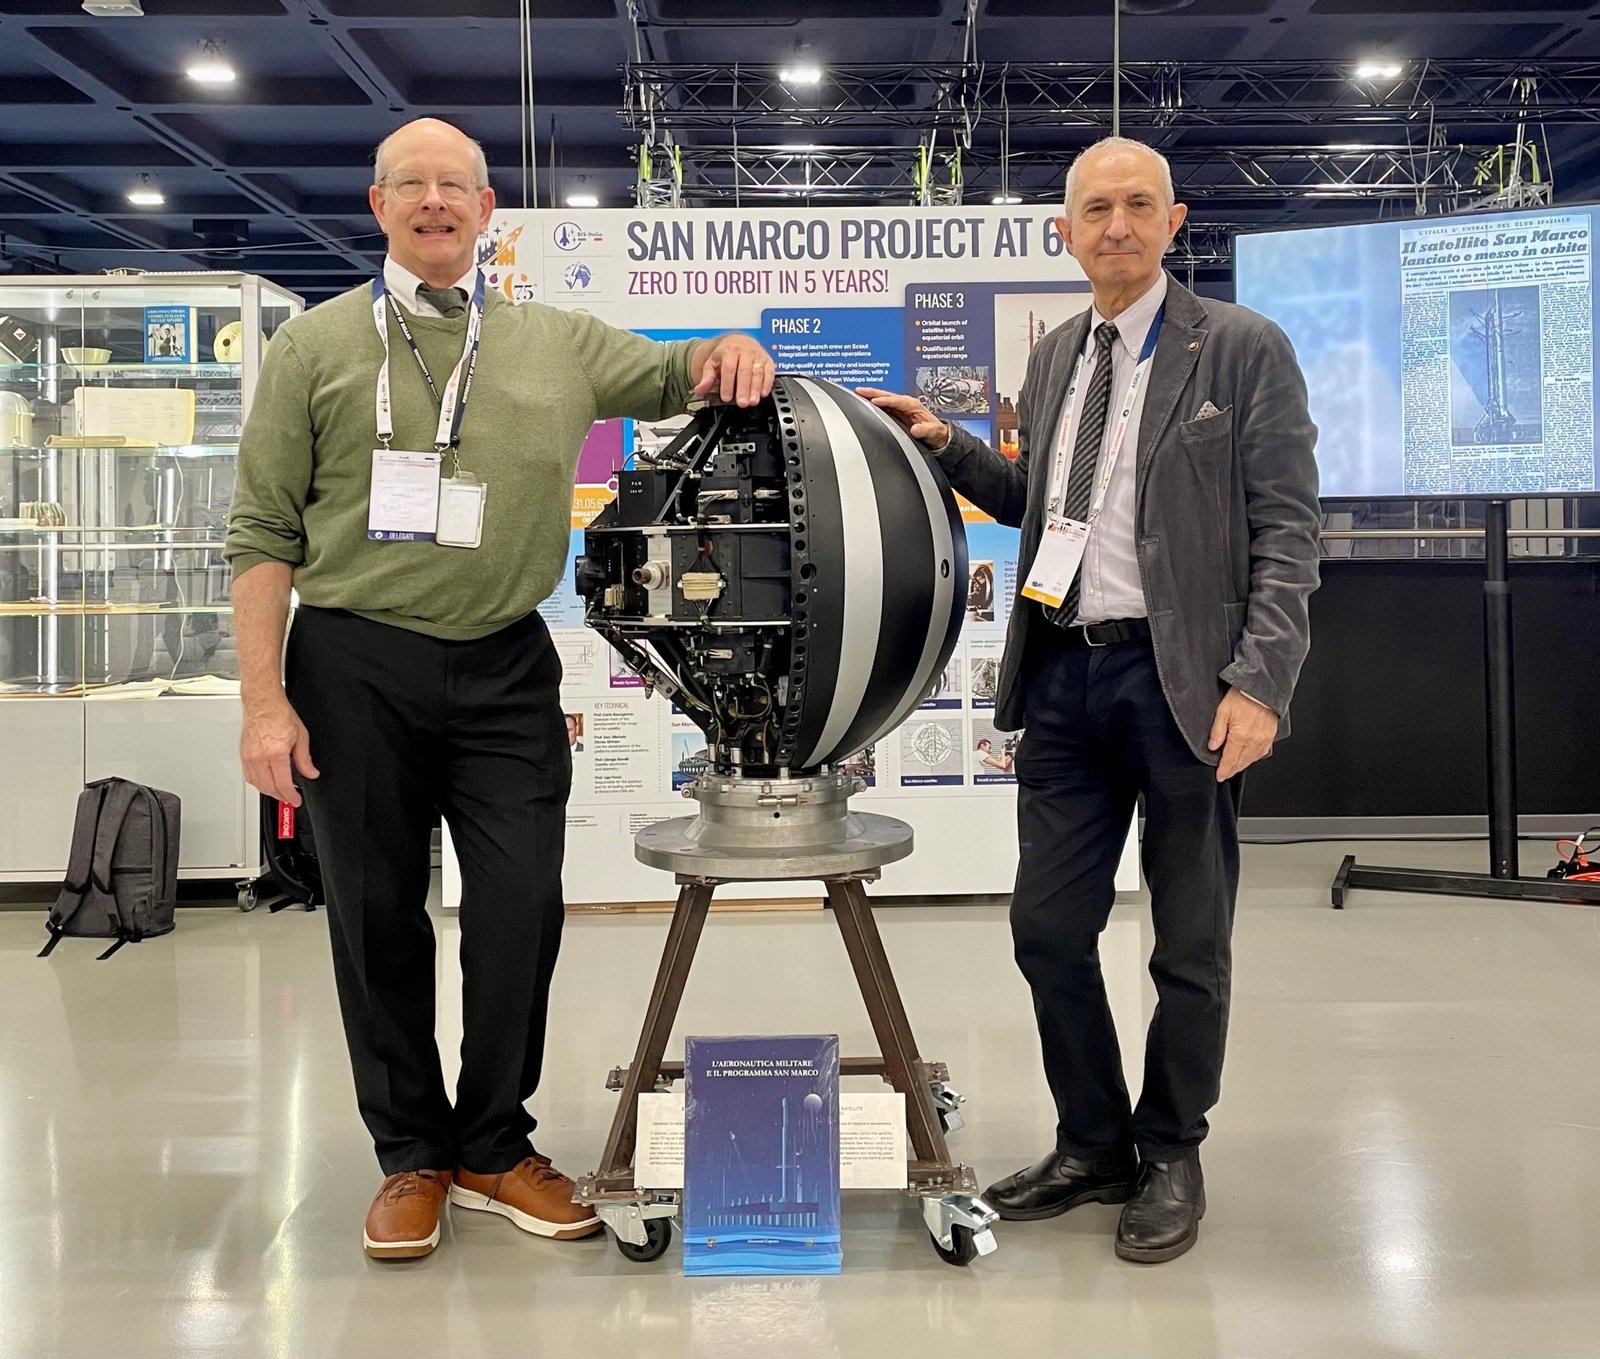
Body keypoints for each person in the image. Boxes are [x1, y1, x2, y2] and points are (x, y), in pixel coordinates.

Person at [224, 116, 774, 1262]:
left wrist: (732, 343)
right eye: (410, 184)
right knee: (376, 915)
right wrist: (264, 703)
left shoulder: (553, 340)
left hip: (505, 660)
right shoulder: (316, 347)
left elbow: (680, 369)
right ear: (377, 207)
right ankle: (410, 1157)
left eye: (455, 185)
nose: (434, 202)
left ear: (488, 210)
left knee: (519, 906)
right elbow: (262, 531)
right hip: (353, 658)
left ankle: (493, 1146)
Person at [860, 135, 1319, 1263]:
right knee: (1046, 931)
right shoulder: (1060, 354)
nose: (1115, 225)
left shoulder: (1243, 348)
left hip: (1185, 683)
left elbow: (1288, 532)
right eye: (1093, 209)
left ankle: (1170, 1148)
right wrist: (948, 447)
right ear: (1062, 230)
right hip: (1065, 675)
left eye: (1137, 207)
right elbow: (1044, 510)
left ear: (1174, 221)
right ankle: (1092, 1142)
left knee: (1188, 939)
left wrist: (1258, 680)